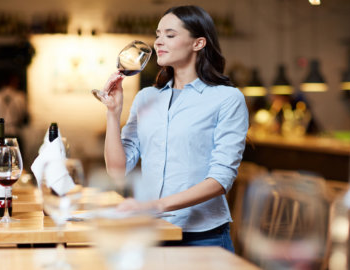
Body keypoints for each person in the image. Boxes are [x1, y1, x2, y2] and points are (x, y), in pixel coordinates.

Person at [97, 5, 248, 252]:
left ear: (198, 43)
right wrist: (112, 114)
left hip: (204, 239)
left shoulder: (227, 99)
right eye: (158, 35)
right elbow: (117, 169)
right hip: (152, 234)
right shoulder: (146, 97)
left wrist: (152, 205)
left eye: (170, 35)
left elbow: (220, 180)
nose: (158, 42)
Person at [0, 74, 28, 156]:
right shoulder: (20, 97)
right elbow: (23, 116)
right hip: (15, 135)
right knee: (17, 163)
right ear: (13, 82)